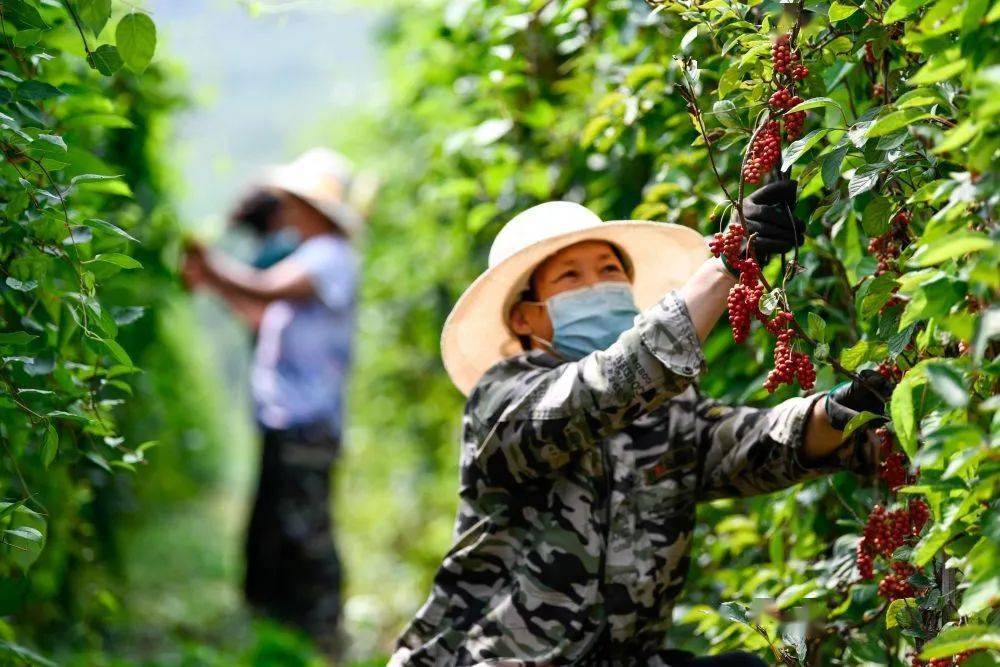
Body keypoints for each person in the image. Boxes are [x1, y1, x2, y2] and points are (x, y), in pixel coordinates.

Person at [390, 182, 890, 666]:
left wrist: (845, 411)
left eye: (610, 271)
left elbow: (748, 446)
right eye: (571, 278)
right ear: (525, 318)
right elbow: (598, 392)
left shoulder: (666, 411)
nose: (598, 287)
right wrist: (727, 268)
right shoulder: (502, 399)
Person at [183, 148, 375, 651]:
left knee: (306, 525)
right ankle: (283, 627)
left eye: (293, 201)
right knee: (276, 522)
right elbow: (261, 316)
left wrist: (211, 264)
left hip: (308, 417)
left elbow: (264, 291)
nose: (284, 209)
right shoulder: (309, 256)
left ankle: (325, 633)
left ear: (314, 209)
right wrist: (214, 282)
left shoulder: (328, 257)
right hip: (286, 414)